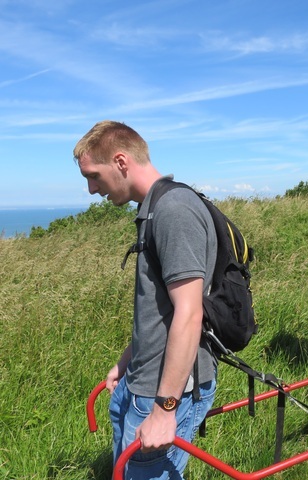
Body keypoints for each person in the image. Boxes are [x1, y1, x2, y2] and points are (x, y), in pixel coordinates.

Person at [74, 121, 217, 479]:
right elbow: (158, 308)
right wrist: (126, 362)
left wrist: (166, 409)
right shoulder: (153, 208)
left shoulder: (174, 210)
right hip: (142, 381)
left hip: (165, 392)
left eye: (94, 175)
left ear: (121, 162)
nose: (92, 190)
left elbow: (189, 312)